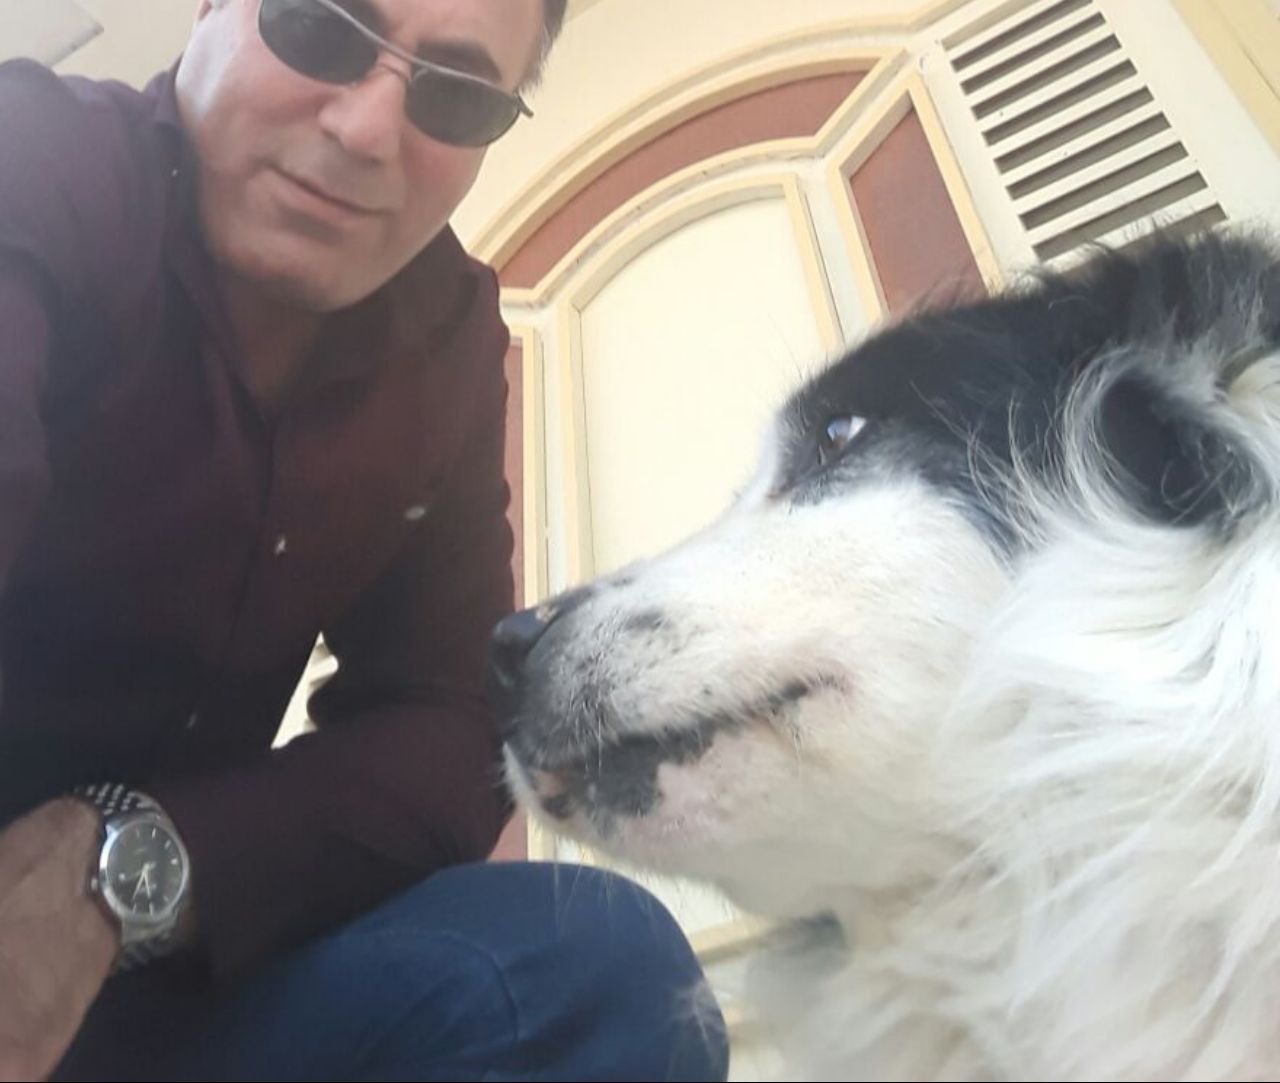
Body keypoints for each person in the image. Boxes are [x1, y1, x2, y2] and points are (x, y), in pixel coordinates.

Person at [0, 1, 730, 1078]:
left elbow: (452, 719)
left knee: (597, 968)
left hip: (166, 959)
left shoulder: (445, 344)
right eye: (320, 27)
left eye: (456, 94)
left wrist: (118, 866)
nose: (365, 130)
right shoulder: (36, 155)